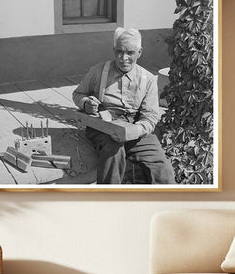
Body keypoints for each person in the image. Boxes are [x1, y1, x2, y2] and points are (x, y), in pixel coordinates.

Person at [72, 27, 175, 184]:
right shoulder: (98, 71)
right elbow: (78, 94)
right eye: (119, 51)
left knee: (162, 167)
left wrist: (135, 130)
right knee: (113, 155)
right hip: (104, 126)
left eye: (130, 53)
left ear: (139, 52)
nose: (123, 58)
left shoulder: (147, 79)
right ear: (114, 50)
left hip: (136, 126)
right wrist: (86, 104)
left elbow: (151, 116)